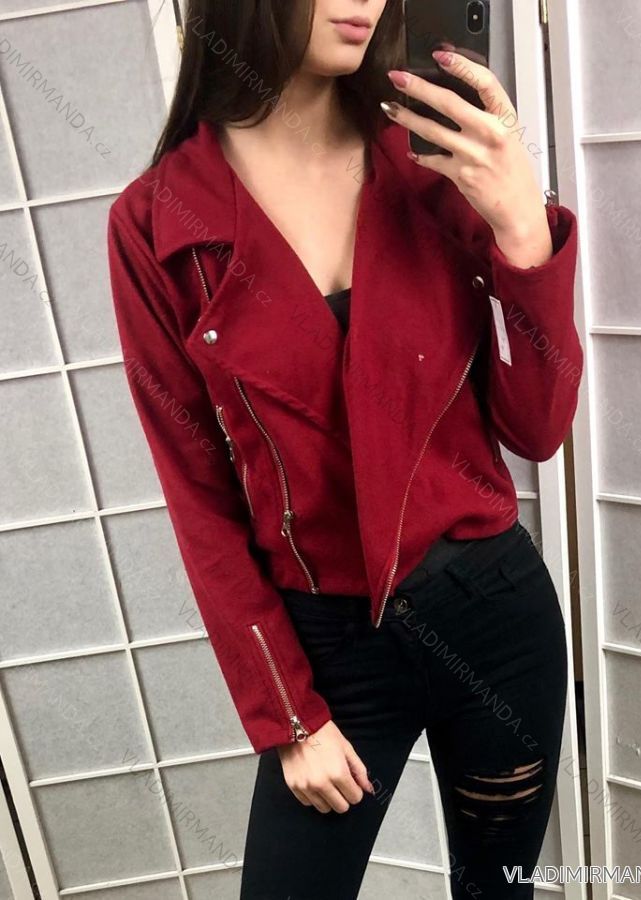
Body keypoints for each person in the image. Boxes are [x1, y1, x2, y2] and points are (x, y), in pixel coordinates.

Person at [106, 1, 583, 897]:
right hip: (325, 649)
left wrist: (524, 231)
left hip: (497, 619)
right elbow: (197, 494)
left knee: (500, 890)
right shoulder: (158, 223)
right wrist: (285, 713)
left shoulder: (431, 165)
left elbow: (537, 428)